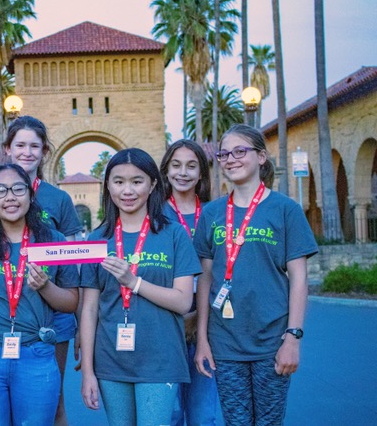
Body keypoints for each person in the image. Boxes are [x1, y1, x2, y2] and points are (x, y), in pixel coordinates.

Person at [193, 124, 318, 425]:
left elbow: (300, 279)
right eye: (224, 154)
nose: (230, 159)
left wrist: (293, 338)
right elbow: (206, 279)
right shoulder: (211, 213)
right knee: (236, 422)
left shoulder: (285, 209)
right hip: (225, 343)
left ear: (261, 157)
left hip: (272, 341)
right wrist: (202, 341)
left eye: (240, 151)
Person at [0, 116, 82, 426]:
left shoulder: (59, 199)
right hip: (5, 313)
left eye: (34, 146)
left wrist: (81, 323)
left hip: (52, 314)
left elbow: (72, 264)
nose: (27, 152)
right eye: (20, 145)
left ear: (45, 151)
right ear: (7, 149)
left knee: (52, 403)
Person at [79, 148, 201, 425]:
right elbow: (88, 309)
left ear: (153, 184)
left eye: (137, 181)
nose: (127, 190)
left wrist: (133, 283)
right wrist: (87, 371)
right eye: (119, 181)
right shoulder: (98, 239)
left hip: (161, 359)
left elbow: (183, 301)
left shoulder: (173, 233)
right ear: (107, 185)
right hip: (111, 361)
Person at [160, 140, 224, 426]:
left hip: (207, 327)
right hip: (166, 326)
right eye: (175, 165)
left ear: (202, 173)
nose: (182, 172)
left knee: (202, 416)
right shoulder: (154, 214)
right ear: (165, 171)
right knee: (168, 414)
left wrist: (200, 314)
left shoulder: (217, 213)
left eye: (191, 166)